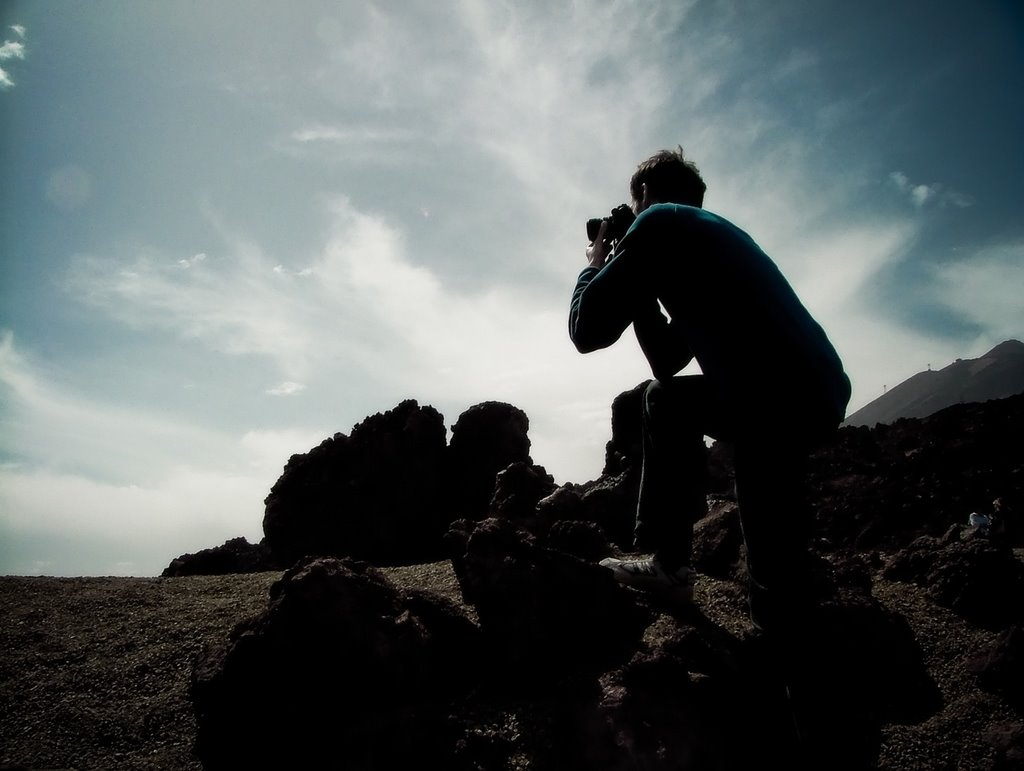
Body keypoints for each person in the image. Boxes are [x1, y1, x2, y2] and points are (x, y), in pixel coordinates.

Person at [569, 147, 850, 633]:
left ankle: (678, 572)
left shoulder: (658, 221)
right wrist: (637, 283)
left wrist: (595, 264)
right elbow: (668, 359)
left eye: (633, 205)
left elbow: (586, 328)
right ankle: (786, 643)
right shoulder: (710, 237)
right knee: (668, 401)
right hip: (809, 390)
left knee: (774, 572)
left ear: (645, 194)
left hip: (770, 396)